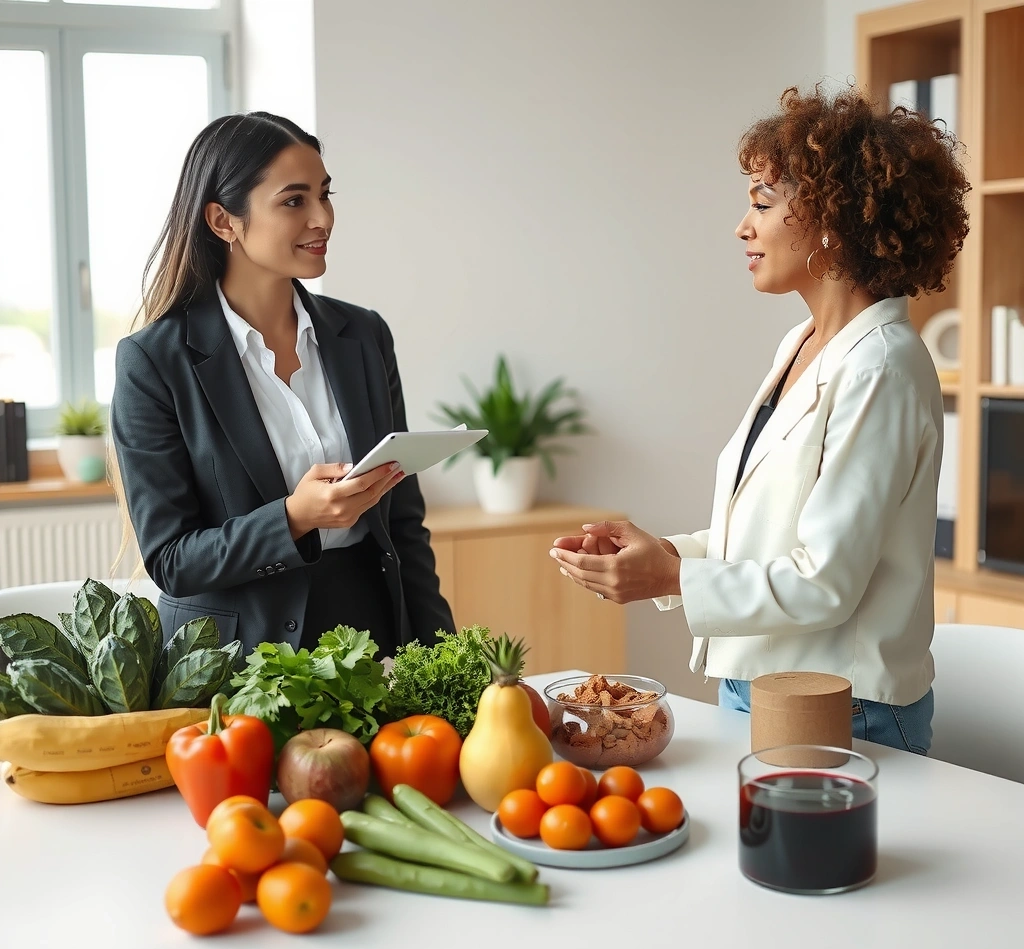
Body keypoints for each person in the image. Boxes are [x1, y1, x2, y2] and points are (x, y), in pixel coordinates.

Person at [549, 84, 971, 753]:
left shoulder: (883, 367)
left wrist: (671, 578)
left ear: (830, 217)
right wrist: (665, 555)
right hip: (760, 679)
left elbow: (824, 580)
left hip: (842, 705)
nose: (742, 226)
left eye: (762, 203)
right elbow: (773, 537)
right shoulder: (803, 346)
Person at [110, 111, 454, 659]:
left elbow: (404, 524)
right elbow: (174, 561)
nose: (323, 218)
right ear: (223, 221)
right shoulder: (152, 361)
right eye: (294, 200)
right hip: (235, 657)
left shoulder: (363, 334)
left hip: (371, 631)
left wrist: (443, 661)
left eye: (325, 194)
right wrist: (296, 518)